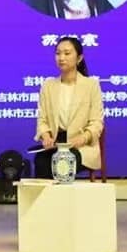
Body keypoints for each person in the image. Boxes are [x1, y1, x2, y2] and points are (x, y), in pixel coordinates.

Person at [33, 36, 104, 178]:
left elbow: (97, 123)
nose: (61, 58)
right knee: (41, 160)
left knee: (64, 161)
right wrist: (46, 136)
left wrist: (80, 139)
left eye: (67, 53)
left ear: (79, 58)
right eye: (58, 53)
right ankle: (48, 193)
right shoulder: (48, 85)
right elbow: (42, 119)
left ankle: (60, 192)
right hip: (56, 146)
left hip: (82, 148)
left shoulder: (91, 85)